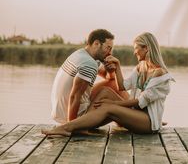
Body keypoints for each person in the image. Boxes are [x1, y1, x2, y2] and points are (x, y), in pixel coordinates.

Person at [43, 32, 174, 135]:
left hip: (148, 122)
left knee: (107, 107)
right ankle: (80, 125)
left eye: (136, 48)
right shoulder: (142, 67)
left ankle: (67, 128)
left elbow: (140, 101)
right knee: (105, 92)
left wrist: (113, 104)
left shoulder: (159, 73)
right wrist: (117, 66)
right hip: (138, 114)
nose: (134, 52)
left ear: (146, 48)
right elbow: (123, 86)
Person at [51, 29, 116, 124]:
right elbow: (74, 97)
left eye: (111, 49)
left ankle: (130, 114)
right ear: (96, 43)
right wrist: (71, 127)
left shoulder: (81, 54)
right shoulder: (89, 64)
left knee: (112, 86)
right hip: (72, 117)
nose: (110, 53)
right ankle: (135, 117)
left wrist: (111, 70)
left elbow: (109, 78)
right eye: (108, 48)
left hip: (60, 113)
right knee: (112, 100)